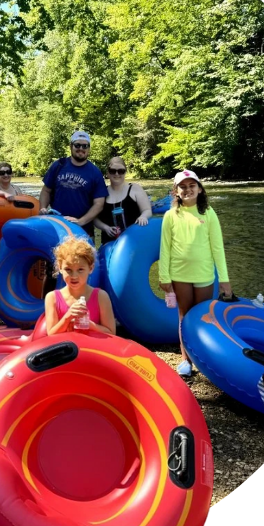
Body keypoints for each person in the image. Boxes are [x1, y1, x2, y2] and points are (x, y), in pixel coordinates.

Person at [159, 169, 236, 377]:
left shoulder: (209, 213)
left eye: (192, 185)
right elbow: (165, 248)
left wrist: (225, 280)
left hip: (204, 275)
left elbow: (217, 248)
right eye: (182, 187)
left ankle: (201, 357)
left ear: (200, 189)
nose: (188, 190)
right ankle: (185, 358)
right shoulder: (170, 215)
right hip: (180, 274)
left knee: (201, 316)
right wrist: (164, 277)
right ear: (176, 192)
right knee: (184, 316)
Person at [42, 235, 116, 336]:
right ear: (60, 268)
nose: (74, 276)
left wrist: (87, 324)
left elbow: (111, 333)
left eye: (80, 270)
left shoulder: (101, 296)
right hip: (67, 351)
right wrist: (67, 317)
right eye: (68, 270)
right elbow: (51, 334)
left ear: (91, 268)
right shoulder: (52, 298)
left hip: (91, 350)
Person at [38, 130, 107, 238]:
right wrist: (42, 208)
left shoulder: (95, 173)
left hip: (83, 230)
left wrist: (81, 221)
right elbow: (46, 190)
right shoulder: (58, 165)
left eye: (85, 146)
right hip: (56, 226)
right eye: (77, 145)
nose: (81, 148)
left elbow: (99, 204)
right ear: (71, 146)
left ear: (89, 148)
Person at [96, 155, 153, 243]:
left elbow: (147, 210)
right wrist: (105, 227)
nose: (117, 174)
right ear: (107, 173)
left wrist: (143, 217)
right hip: (110, 244)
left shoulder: (135, 189)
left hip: (133, 241)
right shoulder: (101, 193)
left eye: (121, 171)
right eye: (112, 171)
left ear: (125, 172)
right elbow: (94, 218)